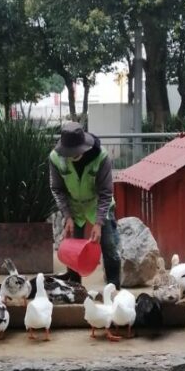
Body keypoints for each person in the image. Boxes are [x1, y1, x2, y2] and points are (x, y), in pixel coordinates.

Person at [49, 121, 122, 288]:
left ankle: (113, 286)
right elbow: (57, 189)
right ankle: (74, 288)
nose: (70, 156)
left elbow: (105, 192)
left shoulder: (101, 157)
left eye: (74, 152)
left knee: (109, 245)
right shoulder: (55, 158)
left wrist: (99, 223)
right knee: (73, 247)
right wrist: (67, 216)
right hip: (74, 206)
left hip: (99, 204)